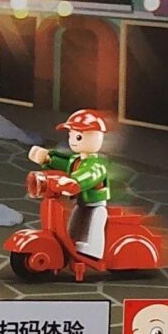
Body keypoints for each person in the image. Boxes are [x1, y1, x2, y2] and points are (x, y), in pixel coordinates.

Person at [29, 108, 114, 261]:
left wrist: (75, 181)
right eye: (71, 135)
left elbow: (89, 175)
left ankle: (94, 249)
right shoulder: (76, 160)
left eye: (78, 137)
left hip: (96, 204)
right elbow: (65, 164)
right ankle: (71, 243)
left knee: (96, 222)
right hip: (81, 203)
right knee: (74, 226)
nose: (73, 140)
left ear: (97, 137)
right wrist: (48, 159)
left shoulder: (97, 164)